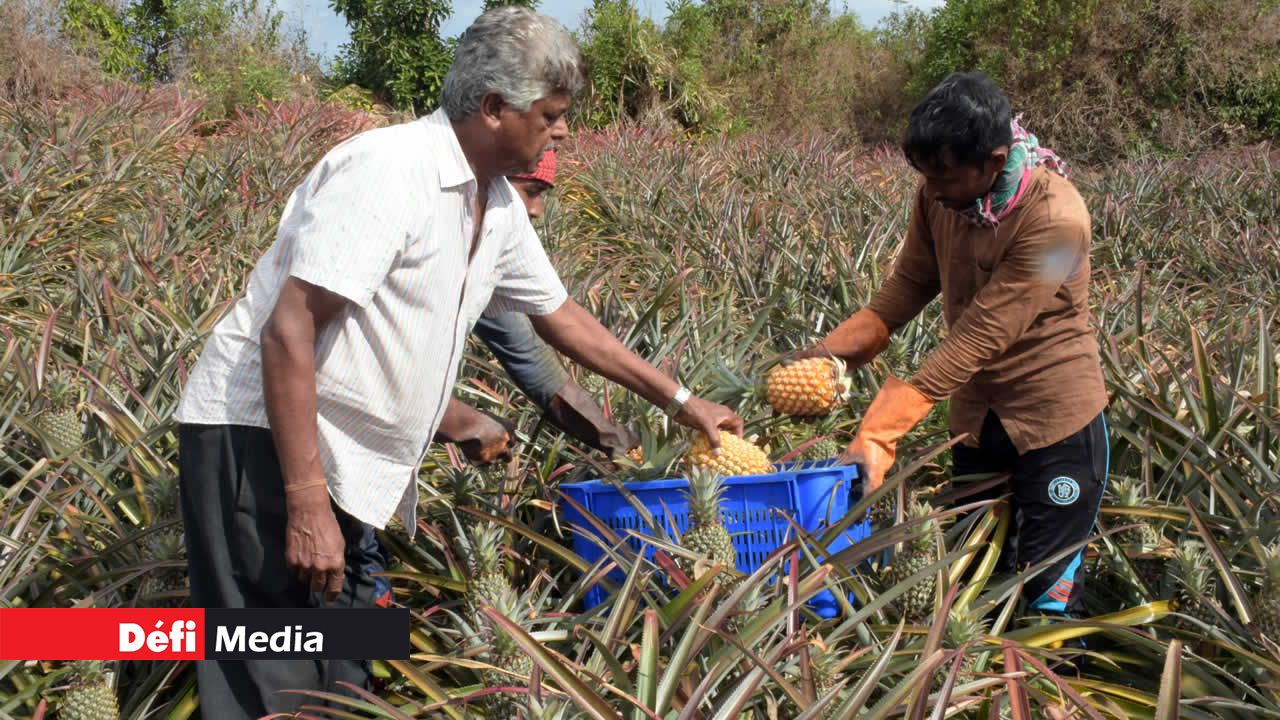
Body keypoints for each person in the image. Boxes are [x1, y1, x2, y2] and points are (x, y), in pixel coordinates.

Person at [172, 8, 742, 717]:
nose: (562, 131)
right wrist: (307, 502)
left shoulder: (495, 201)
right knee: (270, 667)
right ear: (494, 107)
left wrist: (683, 402)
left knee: (344, 672)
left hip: (341, 455)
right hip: (261, 441)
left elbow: (562, 319)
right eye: (552, 114)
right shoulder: (388, 171)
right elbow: (288, 331)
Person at [791, 72, 1108, 622]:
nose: (933, 190)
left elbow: (984, 333)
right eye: (925, 174)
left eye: (945, 175)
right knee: (973, 575)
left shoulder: (1059, 223)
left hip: (1054, 420)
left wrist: (883, 428)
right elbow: (909, 285)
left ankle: (1054, 693)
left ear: (994, 160)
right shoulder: (939, 195)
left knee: (1047, 588)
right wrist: (827, 355)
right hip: (978, 418)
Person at [433, 148, 639, 465]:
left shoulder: (485, 254)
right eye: (531, 192)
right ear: (488, 182)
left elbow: (530, 358)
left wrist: (613, 440)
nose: (536, 210)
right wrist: (460, 421)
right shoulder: (427, 241)